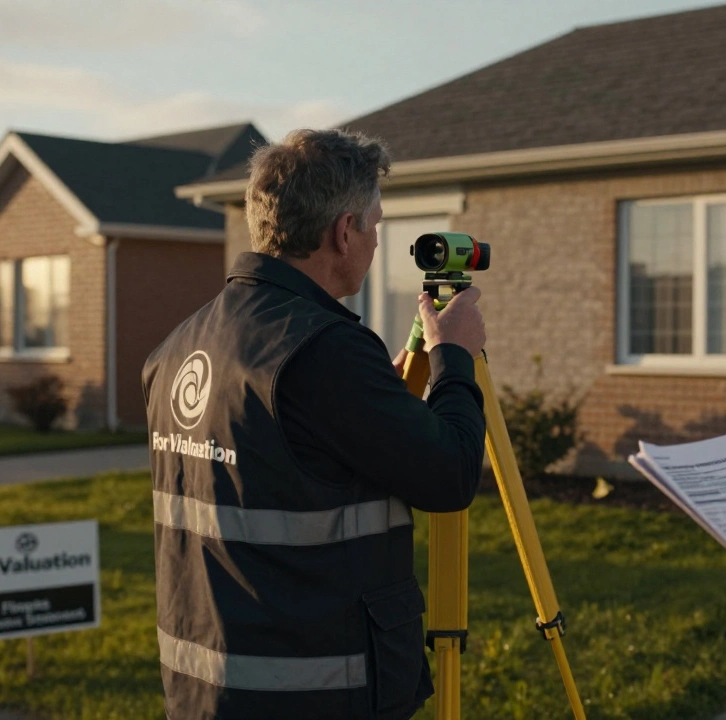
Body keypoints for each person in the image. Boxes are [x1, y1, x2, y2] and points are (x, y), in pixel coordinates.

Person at [142, 128, 488, 720]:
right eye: (375, 227)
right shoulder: (324, 351)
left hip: (205, 689)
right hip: (313, 694)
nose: (377, 243)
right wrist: (454, 357)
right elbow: (451, 476)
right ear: (343, 231)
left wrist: (378, 398)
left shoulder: (178, 347)